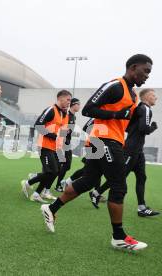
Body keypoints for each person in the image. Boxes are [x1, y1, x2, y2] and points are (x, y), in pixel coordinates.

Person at [40, 54, 152, 251]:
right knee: (118, 186)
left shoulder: (133, 95)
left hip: (109, 141)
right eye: (146, 71)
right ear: (133, 68)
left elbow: (126, 122)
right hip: (103, 140)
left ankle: (51, 208)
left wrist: (140, 119)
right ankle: (118, 237)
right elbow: (89, 109)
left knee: (89, 181)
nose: (147, 76)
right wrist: (116, 114)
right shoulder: (115, 85)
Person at [88, 88, 159, 217]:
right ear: (147, 96)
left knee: (142, 177)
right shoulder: (146, 109)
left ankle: (141, 208)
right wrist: (153, 127)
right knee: (119, 177)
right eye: (154, 95)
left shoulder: (138, 109)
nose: (156, 97)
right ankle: (96, 193)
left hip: (137, 150)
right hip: (131, 150)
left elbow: (129, 128)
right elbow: (144, 129)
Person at [21, 90, 71, 202]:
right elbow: (38, 125)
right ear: (60, 98)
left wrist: (64, 136)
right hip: (44, 146)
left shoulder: (65, 114)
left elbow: (61, 132)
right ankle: (28, 183)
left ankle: (36, 194)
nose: (69, 102)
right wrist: (53, 136)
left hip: (56, 148)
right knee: (50, 172)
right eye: (68, 100)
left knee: (56, 171)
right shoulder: (51, 110)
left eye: (70, 100)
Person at [54, 98, 80, 192]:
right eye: (78, 104)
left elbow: (69, 130)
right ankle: (57, 185)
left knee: (65, 165)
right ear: (73, 104)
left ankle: (57, 184)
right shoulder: (68, 115)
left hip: (67, 143)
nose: (79, 106)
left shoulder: (74, 117)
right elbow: (63, 129)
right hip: (63, 143)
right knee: (59, 166)